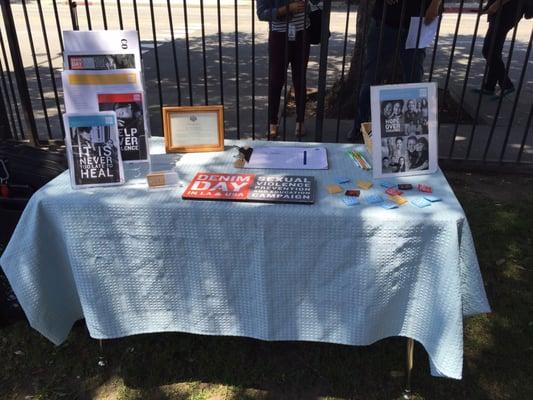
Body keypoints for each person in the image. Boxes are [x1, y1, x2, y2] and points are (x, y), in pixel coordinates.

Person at [348, 0, 442, 141]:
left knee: (414, 81)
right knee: (371, 79)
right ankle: (360, 128)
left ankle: (413, 133)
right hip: (385, 21)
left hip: (418, 22)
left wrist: (435, 5)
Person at [257, 0, 321, 139]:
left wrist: (309, 5)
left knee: (300, 79)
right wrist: (287, 9)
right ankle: (272, 122)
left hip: (302, 34)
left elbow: (316, 4)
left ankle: (300, 121)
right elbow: (261, 13)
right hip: (279, 36)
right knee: (276, 80)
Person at [476, 0, 529, 97]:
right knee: (494, 50)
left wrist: (495, 5)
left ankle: (506, 85)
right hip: (505, 12)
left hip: (505, 12)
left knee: (488, 50)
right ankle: (489, 86)